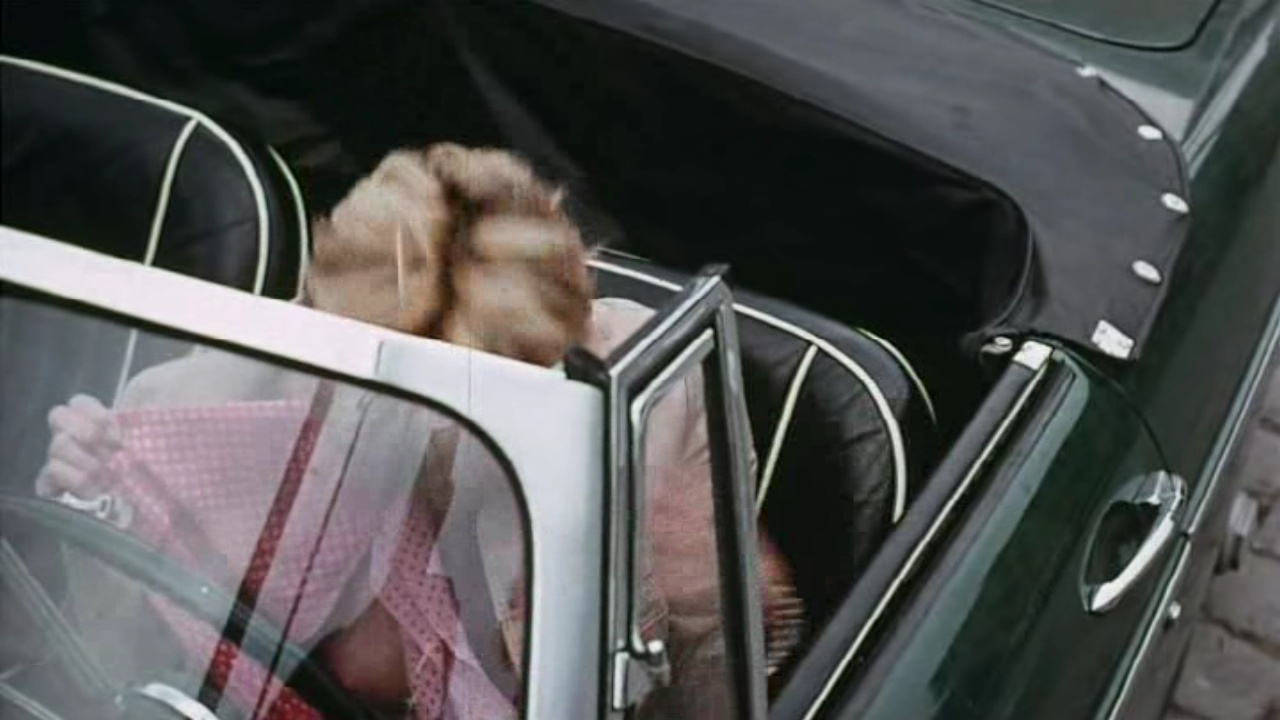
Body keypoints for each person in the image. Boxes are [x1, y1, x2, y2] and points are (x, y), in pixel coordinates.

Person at [35, 143, 805, 718]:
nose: (414, 426)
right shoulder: (289, 355)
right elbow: (111, 650)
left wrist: (604, 578)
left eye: (459, 394)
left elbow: (712, 660)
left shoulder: (641, 398)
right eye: (381, 387)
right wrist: (97, 493)